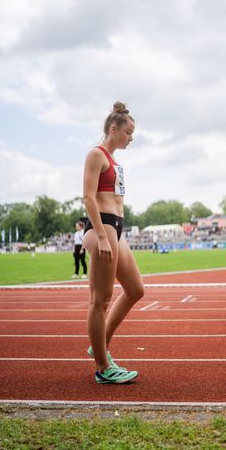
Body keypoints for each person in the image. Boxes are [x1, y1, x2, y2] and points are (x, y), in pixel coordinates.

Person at [82, 101, 144, 384]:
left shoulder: (117, 162)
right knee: (101, 300)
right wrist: (103, 236)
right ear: (113, 128)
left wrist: (115, 233)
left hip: (116, 228)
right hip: (102, 228)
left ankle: (100, 343)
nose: (131, 137)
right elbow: (88, 197)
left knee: (135, 289)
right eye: (128, 132)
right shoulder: (97, 155)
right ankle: (103, 368)